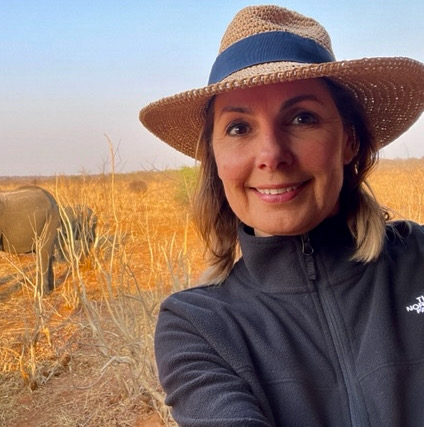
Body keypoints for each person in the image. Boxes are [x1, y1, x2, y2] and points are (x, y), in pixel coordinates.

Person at [139, 5, 424, 426]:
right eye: (238, 127)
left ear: (349, 142)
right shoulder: (198, 327)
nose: (271, 155)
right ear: (215, 158)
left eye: (302, 117)